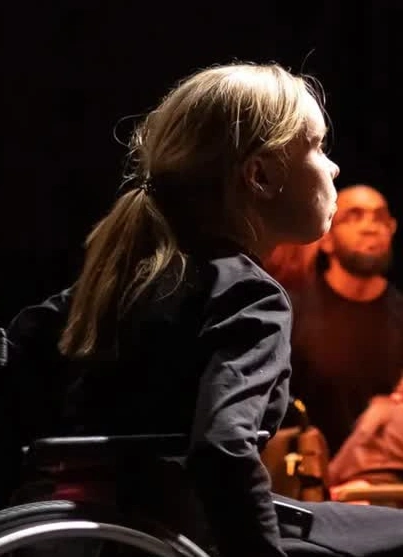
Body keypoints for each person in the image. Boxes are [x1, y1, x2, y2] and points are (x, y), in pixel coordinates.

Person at [2, 62, 403, 557]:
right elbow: (223, 452)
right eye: (318, 147)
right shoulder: (248, 297)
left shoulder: (119, 283)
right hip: (190, 535)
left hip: (97, 534)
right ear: (260, 175)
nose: (333, 167)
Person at [289, 185, 403, 456]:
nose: (370, 228)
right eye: (354, 217)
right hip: (308, 473)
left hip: (383, 474)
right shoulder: (292, 312)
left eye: (380, 218)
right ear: (326, 238)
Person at [329, 373, 403, 490]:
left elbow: (335, 470)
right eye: (398, 390)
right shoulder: (381, 411)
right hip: (362, 490)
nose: (395, 397)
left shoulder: (379, 410)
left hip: (358, 489)